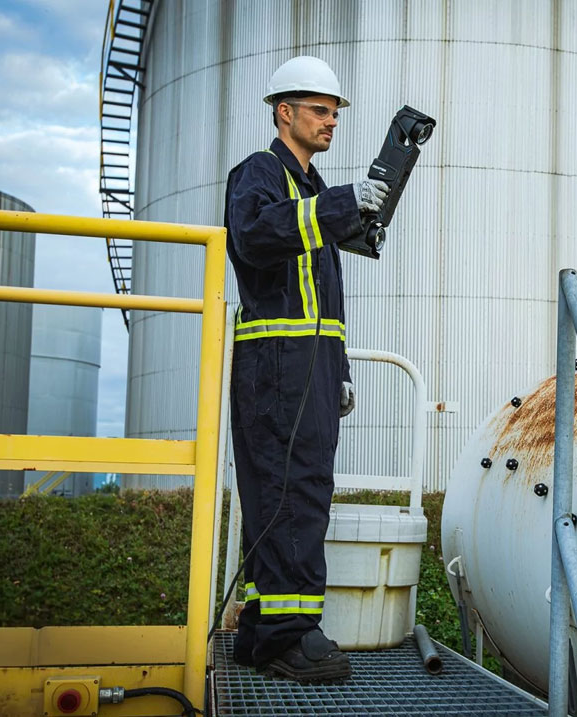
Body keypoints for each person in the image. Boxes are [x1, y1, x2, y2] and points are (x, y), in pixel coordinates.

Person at [223, 55, 388, 683]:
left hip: (311, 360)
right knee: (290, 489)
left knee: (293, 487)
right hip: (276, 358)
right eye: (320, 110)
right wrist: (343, 203)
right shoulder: (259, 174)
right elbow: (256, 236)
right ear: (282, 111)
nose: (331, 122)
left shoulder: (313, 189)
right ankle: (290, 635)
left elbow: (327, 294)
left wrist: (339, 367)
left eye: (335, 112)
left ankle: (262, 627)